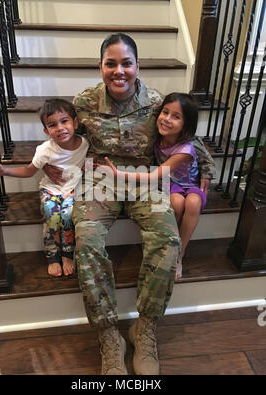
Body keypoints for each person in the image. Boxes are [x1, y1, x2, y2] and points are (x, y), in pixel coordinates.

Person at [44, 33, 215, 375]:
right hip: (99, 179)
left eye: (126, 63)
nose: (118, 71)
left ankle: (145, 327)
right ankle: (109, 336)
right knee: (88, 242)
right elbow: (63, 133)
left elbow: (187, 139)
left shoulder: (156, 103)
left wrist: (205, 174)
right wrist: (50, 163)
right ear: (100, 66)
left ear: (138, 66)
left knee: (167, 240)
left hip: (145, 177)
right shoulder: (83, 102)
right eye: (111, 63)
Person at [105, 92, 215, 280]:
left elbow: (154, 175)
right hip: (170, 186)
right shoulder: (157, 135)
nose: (167, 119)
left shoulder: (185, 149)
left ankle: (180, 252)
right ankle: (169, 247)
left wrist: (119, 174)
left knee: (194, 202)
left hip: (190, 184)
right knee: (177, 203)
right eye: (165, 112)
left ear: (186, 125)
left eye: (176, 116)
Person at [0, 99, 89, 278]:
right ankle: (52, 256)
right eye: (52, 125)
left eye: (64, 121)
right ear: (46, 131)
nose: (60, 128)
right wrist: (3, 171)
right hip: (51, 189)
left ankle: (67, 254)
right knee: (51, 215)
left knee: (68, 215)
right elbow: (28, 171)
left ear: (75, 122)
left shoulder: (85, 144)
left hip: (73, 189)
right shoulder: (45, 150)